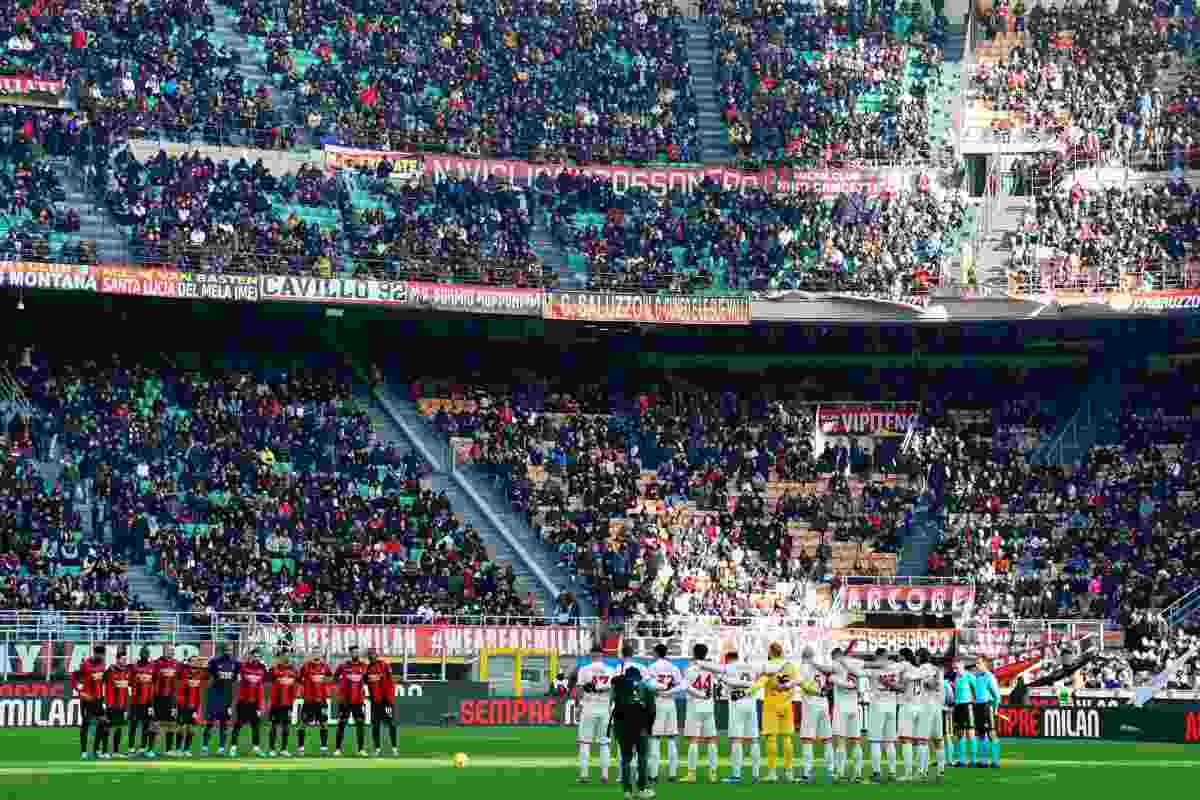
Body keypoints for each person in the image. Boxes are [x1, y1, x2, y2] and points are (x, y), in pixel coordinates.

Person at [708, 650, 762, 784]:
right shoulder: (751, 666)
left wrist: (718, 676)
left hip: (737, 704)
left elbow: (727, 684)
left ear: (727, 659)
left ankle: (736, 776)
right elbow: (757, 682)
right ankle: (756, 775)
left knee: (737, 740)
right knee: (754, 739)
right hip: (751, 703)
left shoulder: (729, 667)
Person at [609, 664, 657, 800]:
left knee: (626, 759)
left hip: (623, 727)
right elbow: (652, 710)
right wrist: (649, 727)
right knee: (642, 758)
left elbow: (611, 707)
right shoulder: (646, 688)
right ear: (639, 676)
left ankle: (627, 791)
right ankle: (642, 789)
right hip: (641, 727)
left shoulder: (618, 686)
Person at [753, 641, 797, 783]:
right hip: (786, 705)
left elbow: (758, 682)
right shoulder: (790, 666)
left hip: (771, 704)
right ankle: (789, 772)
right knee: (787, 738)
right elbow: (794, 686)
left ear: (771, 652)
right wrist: (787, 700)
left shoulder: (767, 666)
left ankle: (772, 772)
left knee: (771, 738)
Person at [576, 644, 617, 783]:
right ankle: (604, 775)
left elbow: (580, 690)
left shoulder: (584, 669)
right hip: (604, 707)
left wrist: (580, 704)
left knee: (585, 742)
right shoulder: (610, 670)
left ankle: (584, 775)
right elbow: (613, 690)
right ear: (602, 654)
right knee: (604, 743)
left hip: (589, 706)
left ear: (591, 654)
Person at [644, 643, 683, 784]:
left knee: (655, 738)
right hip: (670, 703)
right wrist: (669, 689)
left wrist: (660, 689)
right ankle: (672, 774)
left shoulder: (652, 667)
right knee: (672, 738)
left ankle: (653, 775)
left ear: (655, 652)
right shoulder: (674, 667)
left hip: (658, 702)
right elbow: (680, 685)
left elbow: (648, 684)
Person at [863, 649, 903, 783]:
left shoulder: (873, 669)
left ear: (877, 656)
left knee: (875, 741)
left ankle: (876, 773)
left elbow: (858, 669)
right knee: (890, 741)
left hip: (877, 705)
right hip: (892, 706)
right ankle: (892, 772)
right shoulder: (895, 667)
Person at [796, 645, 834, 784]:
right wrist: (824, 691)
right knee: (827, 739)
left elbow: (803, 686)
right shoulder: (820, 667)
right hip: (823, 704)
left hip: (810, 705)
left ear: (802, 656)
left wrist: (817, 692)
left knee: (807, 739)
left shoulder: (802, 668)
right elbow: (830, 683)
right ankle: (830, 771)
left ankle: (807, 773)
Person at [682, 644, 719, 783]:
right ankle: (713, 773)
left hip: (694, 707)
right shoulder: (711, 670)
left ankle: (691, 774)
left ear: (694, 653)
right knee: (711, 739)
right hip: (709, 707)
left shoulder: (690, 670)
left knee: (693, 740)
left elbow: (687, 688)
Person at [830, 647, 866, 783]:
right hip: (854, 705)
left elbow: (827, 672)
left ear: (834, 656)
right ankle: (857, 773)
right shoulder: (855, 663)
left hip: (841, 706)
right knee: (856, 741)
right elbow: (867, 667)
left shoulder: (835, 664)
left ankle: (840, 773)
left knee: (841, 742)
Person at [229, 647, 268, 758]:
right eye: (254, 656)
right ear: (250, 656)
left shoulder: (262, 668)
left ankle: (256, 748)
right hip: (243, 701)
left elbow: (261, 687)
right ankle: (233, 748)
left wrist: (260, 706)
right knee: (238, 725)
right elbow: (236, 667)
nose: (256, 658)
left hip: (255, 703)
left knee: (255, 726)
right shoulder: (243, 666)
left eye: (258, 656)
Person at [202, 643, 239, 756]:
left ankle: (222, 747)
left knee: (224, 723)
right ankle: (204, 747)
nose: (229, 651)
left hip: (226, 696)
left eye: (230, 649)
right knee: (210, 723)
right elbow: (208, 677)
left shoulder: (236, 663)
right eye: (227, 649)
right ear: (222, 650)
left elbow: (235, 679)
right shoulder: (214, 662)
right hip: (214, 695)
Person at [334, 645, 369, 756]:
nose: (355, 654)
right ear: (350, 653)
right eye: (353, 652)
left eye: (357, 652)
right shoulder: (343, 666)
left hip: (358, 701)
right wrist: (341, 689)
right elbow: (335, 677)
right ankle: (338, 749)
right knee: (342, 724)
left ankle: (361, 749)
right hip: (345, 701)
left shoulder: (364, 666)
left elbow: (367, 679)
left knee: (360, 724)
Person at [74, 644, 106, 760]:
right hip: (87, 700)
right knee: (86, 725)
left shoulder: (103, 665)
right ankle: (83, 752)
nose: (102, 657)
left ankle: (96, 750)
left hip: (98, 700)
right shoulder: (85, 665)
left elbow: (102, 681)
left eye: (103, 655)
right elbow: (75, 677)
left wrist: (103, 697)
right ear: (96, 653)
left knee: (103, 724)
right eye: (101, 654)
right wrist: (80, 691)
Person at [298, 651, 334, 756]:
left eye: (318, 653)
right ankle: (301, 748)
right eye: (314, 653)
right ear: (312, 655)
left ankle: (323, 748)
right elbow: (299, 679)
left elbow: (330, 678)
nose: (316, 655)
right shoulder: (305, 667)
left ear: (320, 655)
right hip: (309, 701)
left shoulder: (325, 667)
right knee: (302, 724)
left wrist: (325, 683)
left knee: (323, 724)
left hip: (321, 701)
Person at [99, 649, 132, 759]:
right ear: (117, 659)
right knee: (108, 728)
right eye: (123, 659)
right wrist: (103, 702)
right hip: (111, 704)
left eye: (125, 659)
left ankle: (116, 751)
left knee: (119, 728)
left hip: (122, 705)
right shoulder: (110, 670)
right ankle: (104, 752)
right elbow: (102, 685)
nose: (124, 661)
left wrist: (127, 707)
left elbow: (127, 689)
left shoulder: (126, 671)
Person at [365, 647, 399, 757]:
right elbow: (367, 682)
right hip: (375, 702)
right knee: (375, 725)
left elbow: (390, 682)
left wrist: (389, 699)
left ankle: (394, 748)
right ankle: (377, 749)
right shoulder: (368, 668)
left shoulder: (384, 665)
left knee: (391, 724)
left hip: (386, 701)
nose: (371, 656)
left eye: (373, 654)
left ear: (376, 655)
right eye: (369, 654)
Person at [268, 650, 302, 757]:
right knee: (274, 725)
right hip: (276, 702)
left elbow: (300, 681)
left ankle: (284, 749)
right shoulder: (274, 669)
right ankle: (272, 749)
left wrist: (296, 695)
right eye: (284, 655)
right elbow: (267, 678)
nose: (287, 657)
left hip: (288, 703)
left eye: (288, 655)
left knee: (286, 726)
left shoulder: (294, 670)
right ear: (281, 657)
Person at [895, 648, 922, 782]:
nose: (897, 658)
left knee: (906, 740)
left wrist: (889, 684)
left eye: (899, 656)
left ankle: (908, 773)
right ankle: (920, 771)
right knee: (918, 741)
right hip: (919, 706)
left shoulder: (904, 666)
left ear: (903, 657)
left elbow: (902, 688)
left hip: (907, 705)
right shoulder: (917, 669)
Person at [921, 649, 948, 782]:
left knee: (923, 740)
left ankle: (924, 772)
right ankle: (941, 771)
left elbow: (931, 685)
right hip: (937, 707)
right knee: (938, 740)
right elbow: (942, 689)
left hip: (926, 706)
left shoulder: (921, 669)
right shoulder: (938, 670)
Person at [152, 645, 182, 757]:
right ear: (164, 651)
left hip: (170, 698)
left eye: (173, 651)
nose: (171, 652)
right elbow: (153, 679)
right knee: (156, 724)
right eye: (169, 651)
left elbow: (178, 680)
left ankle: (168, 750)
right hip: (158, 698)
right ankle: (153, 750)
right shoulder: (157, 663)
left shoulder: (177, 664)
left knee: (170, 724)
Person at [128, 647, 157, 758]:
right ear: (140, 654)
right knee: (134, 725)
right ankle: (131, 749)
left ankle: (143, 748)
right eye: (143, 653)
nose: (145, 655)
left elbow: (153, 685)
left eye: (147, 653)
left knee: (146, 726)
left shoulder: (152, 667)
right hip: (136, 702)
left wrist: (151, 704)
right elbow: (129, 682)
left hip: (147, 702)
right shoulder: (134, 667)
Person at [972, 658, 1001, 768]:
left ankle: (995, 761)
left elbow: (997, 695)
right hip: (978, 707)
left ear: (985, 664)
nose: (976, 665)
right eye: (976, 663)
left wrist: (995, 709)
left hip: (986, 707)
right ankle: (983, 761)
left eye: (978, 663)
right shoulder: (977, 677)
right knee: (981, 734)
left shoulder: (990, 677)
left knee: (991, 733)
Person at [175, 656, 206, 757]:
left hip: (193, 705)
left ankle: (187, 749)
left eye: (196, 661)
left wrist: (197, 708)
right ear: (188, 662)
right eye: (192, 661)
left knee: (191, 728)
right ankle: (178, 749)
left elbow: (199, 692)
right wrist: (183, 663)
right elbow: (177, 670)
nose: (194, 663)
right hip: (182, 704)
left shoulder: (199, 674)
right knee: (180, 727)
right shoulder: (183, 671)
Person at [952, 660, 976, 767]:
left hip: (967, 706)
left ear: (962, 667)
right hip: (958, 707)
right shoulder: (956, 678)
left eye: (957, 668)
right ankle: (961, 761)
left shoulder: (969, 676)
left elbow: (976, 688)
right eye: (954, 668)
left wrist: (974, 701)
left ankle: (973, 760)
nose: (955, 670)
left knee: (970, 733)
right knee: (960, 734)